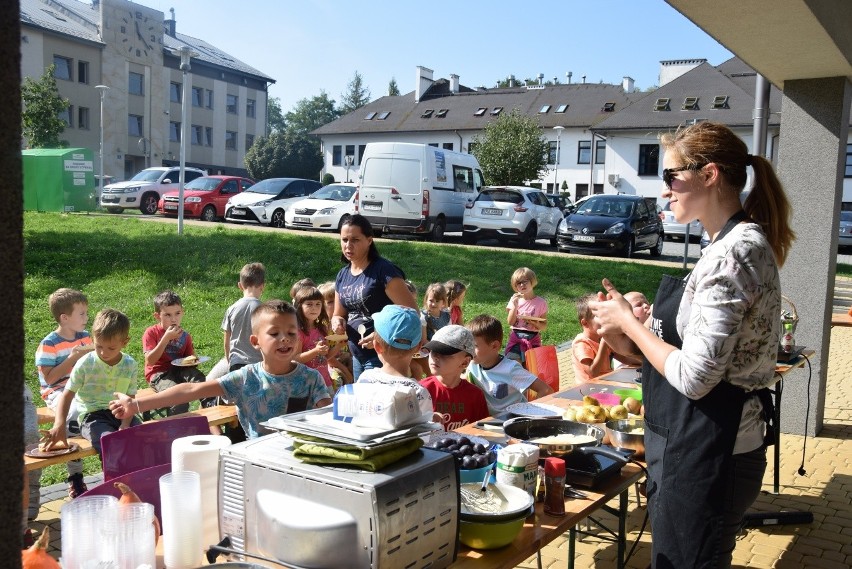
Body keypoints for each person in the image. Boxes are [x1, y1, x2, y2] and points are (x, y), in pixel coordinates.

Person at [590, 121, 794, 569]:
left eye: (671, 176)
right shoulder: (723, 244)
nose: (665, 190)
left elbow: (696, 378)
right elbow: (691, 353)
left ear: (710, 175)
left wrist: (631, 322)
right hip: (700, 445)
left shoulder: (732, 252)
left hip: (714, 454)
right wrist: (635, 334)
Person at [111, 300, 332, 440]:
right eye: (274, 334)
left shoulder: (310, 379)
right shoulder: (245, 378)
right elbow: (191, 390)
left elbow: (329, 418)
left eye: (291, 333)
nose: (284, 339)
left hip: (300, 461)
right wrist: (136, 404)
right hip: (258, 461)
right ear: (255, 341)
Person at [43, 308, 141, 459]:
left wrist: (125, 424)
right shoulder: (86, 363)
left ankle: (139, 478)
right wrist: (59, 425)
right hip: (92, 416)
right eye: (99, 346)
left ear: (125, 342)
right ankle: (116, 480)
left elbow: (130, 398)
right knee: (110, 443)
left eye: (111, 348)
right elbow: (67, 395)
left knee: (143, 438)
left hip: (122, 412)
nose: (103, 352)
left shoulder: (130, 364)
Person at [331, 214, 418, 380]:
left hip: (383, 354)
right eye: (344, 240)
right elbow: (338, 313)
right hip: (356, 353)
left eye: (355, 240)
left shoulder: (383, 271)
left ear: (369, 240)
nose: (348, 245)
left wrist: (379, 336)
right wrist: (337, 322)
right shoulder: (342, 275)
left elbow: (412, 313)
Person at [34, 288, 92, 497]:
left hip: (84, 388)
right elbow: (49, 379)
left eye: (86, 312)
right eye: (82, 313)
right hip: (58, 392)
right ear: (65, 318)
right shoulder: (49, 344)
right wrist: (72, 358)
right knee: (74, 415)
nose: (87, 317)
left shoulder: (85, 337)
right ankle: (75, 476)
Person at [354, 304, 433, 422]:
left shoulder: (365, 378)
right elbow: (425, 435)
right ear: (418, 348)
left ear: (377, 346)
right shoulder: (419, 393)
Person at [466, 314, 554, 416]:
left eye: (475, 346)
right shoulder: (472, 365)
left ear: (494, 346)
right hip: (491, 423)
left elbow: (546, 390)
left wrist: (534, 415)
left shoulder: (510, 369)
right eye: (468, 345)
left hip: (515, 421)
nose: (469, 350)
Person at [142, 290, 208, 417]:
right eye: (167, 315)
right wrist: (166, 338)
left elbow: (190, 361)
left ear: (182, 312)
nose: (173, 319)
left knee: (201, 381)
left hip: (179, 370)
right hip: (159, 373)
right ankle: (177, 428)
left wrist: (194, 361)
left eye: (177, 313)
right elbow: (150, 360)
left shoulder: (185, 336)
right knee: (178, 398)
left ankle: (211, 414)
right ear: (157, 316)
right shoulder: (151, 333)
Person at [420, 325, 488, 431]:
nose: (435, 357)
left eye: (444, 353)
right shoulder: (421, 390)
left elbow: (481, 431)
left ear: (465, 362)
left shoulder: (475, 395)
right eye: (433, 351)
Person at [294, 286, 340, 391]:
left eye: (318, 304)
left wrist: (339, 345)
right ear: (299, 306)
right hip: (307, 384)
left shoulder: (322, 329)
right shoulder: (298, 332)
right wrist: (315, 351)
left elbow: (326, 356)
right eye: (309, 304)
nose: (314, 308)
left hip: (325, 380)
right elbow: (295, 359)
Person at [222, 262, 265, 372]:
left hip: (236, 363)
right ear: (262, 286)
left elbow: (227, 340)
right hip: (258, 364)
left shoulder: (231, 308)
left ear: (240, 286)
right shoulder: (264, 310)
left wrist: (229, 360)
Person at [505, 267, 547, 363]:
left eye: (525, 281)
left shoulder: (541, 302)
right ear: (515, 286)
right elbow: (510, 322)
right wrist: (515, 306)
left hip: (533, 338)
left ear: (532, 281)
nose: (522, 285)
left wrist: (534, 322)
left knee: (533, 367)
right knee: (514, 365)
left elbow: (544, 326)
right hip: (516, 337)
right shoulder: (515, 299)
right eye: (519, 283)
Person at [571, 293, 614, 384]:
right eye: (599, 316)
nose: (606, 319)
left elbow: (625, 358)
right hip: (589, 389)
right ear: (585, 323)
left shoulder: (601, 338)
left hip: (606, 383)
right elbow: (592, 373)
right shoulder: (581, 343)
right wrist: (604, 343)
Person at [318, 281, 354, 389]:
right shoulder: (323, 327)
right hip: (332, 364)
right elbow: (328, 358)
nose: (334, 305)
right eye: (329, 302)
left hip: (349, 359)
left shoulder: (348, 322)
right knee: (338, 379)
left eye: (336, 301)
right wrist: (346, 372)